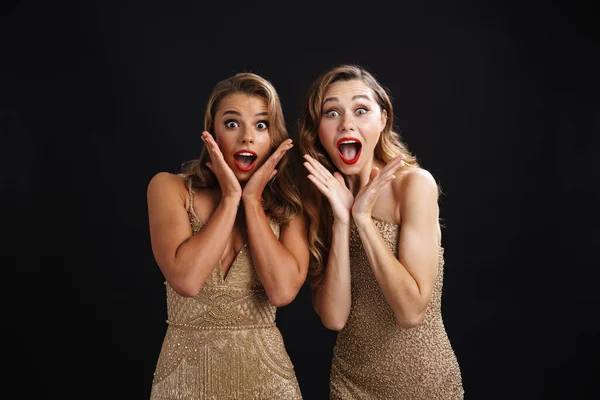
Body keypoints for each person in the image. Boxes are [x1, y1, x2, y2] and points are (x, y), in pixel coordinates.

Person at [298, 64, 464, 399]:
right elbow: (334, 318)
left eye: (361, 110)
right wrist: (342, 220)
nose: (347, 123)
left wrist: (363, 219)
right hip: (350, 384)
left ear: (383, 119)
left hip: (425, 384)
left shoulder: (415, 185)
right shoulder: (320, 198)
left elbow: (411, 312)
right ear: (318, 129)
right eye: (332, 113)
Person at [146, 72, 309, 399]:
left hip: (269, 385)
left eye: (261, 125)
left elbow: (281, 292)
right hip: (183, 385)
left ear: (274, 138)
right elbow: (188, 280)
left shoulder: (292, 205)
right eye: (232, 123)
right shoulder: (169, 188)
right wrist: (231, 198)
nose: (247, 137)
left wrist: (251, 202)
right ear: (212, 133)